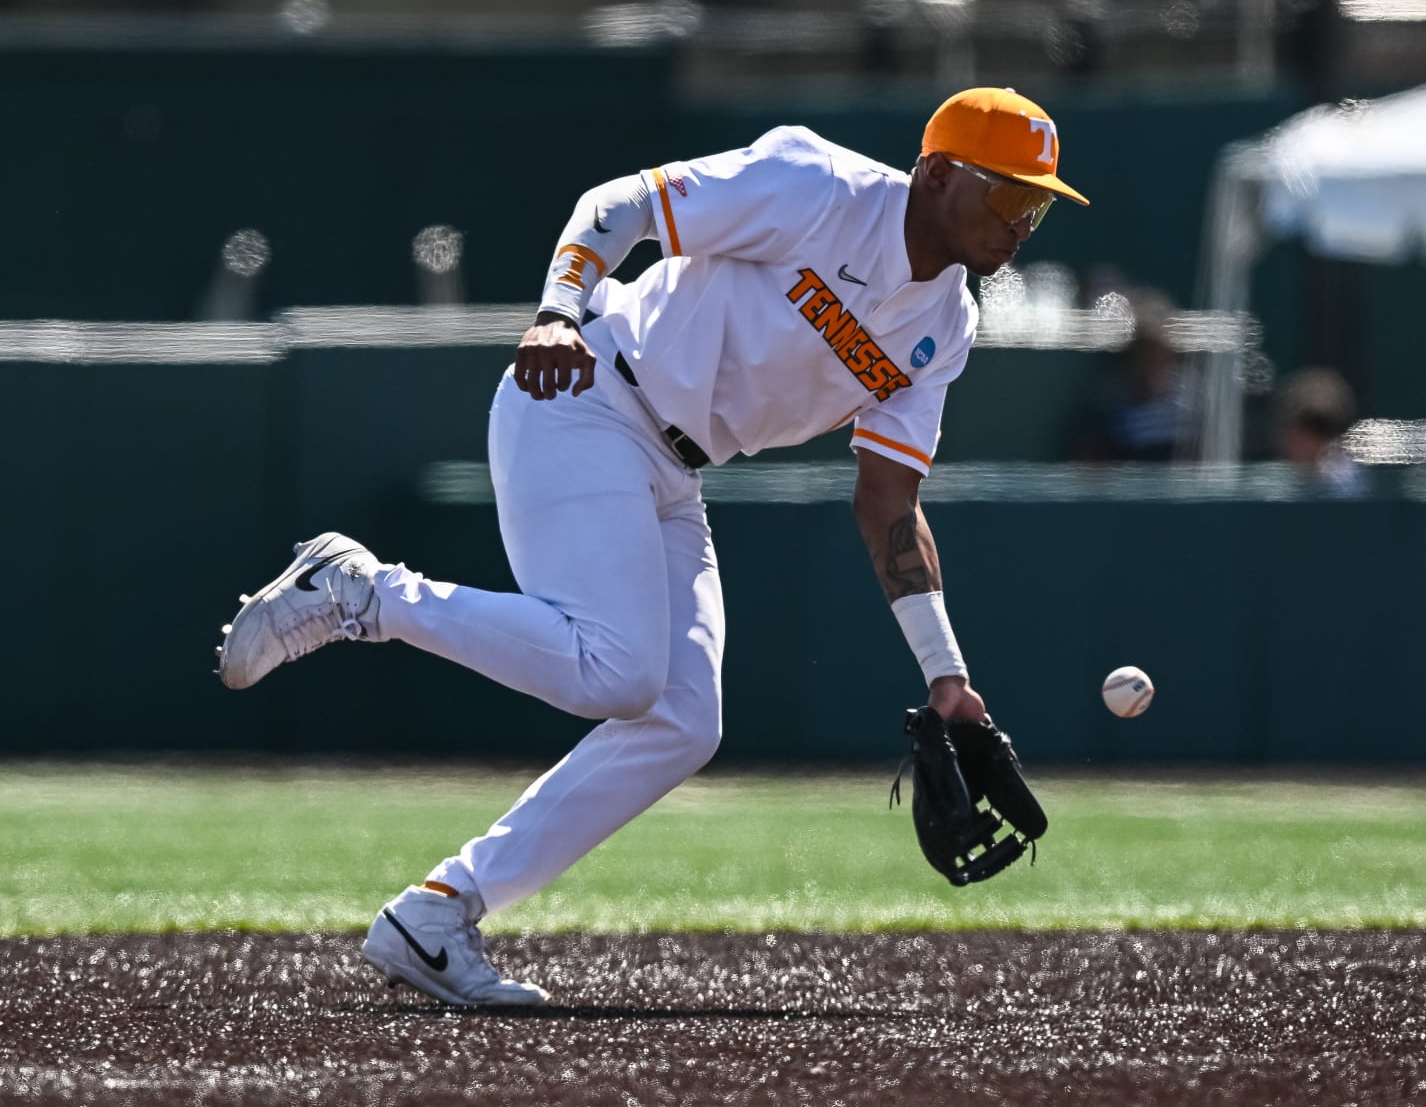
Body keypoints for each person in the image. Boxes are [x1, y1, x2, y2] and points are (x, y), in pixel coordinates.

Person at [215, 87, 1088, 1006]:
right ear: (941, 174)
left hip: (673, 468)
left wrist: (945, 675)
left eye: (1036, 203)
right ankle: (363, 592)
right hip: (587, 390)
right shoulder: (816, 186)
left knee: (682, 719)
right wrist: (558, 307)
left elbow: (888, 502)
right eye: (1009, 195)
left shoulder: (946, 324)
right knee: (622, 674)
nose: (1023, 221)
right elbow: (618, 204)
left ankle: (438, 913)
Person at [1070, 289, 1193, 462]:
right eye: (1145, 348)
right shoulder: (1109, 399)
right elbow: (1091, 460)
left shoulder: (1193, 397)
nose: (1153, 357)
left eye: (1159, 348)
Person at [1274, 366, 1363, 495]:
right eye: (1306, 425)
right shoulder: (1273, 487)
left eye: (1323, 428)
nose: (1313, 440)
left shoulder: (1352, 489)